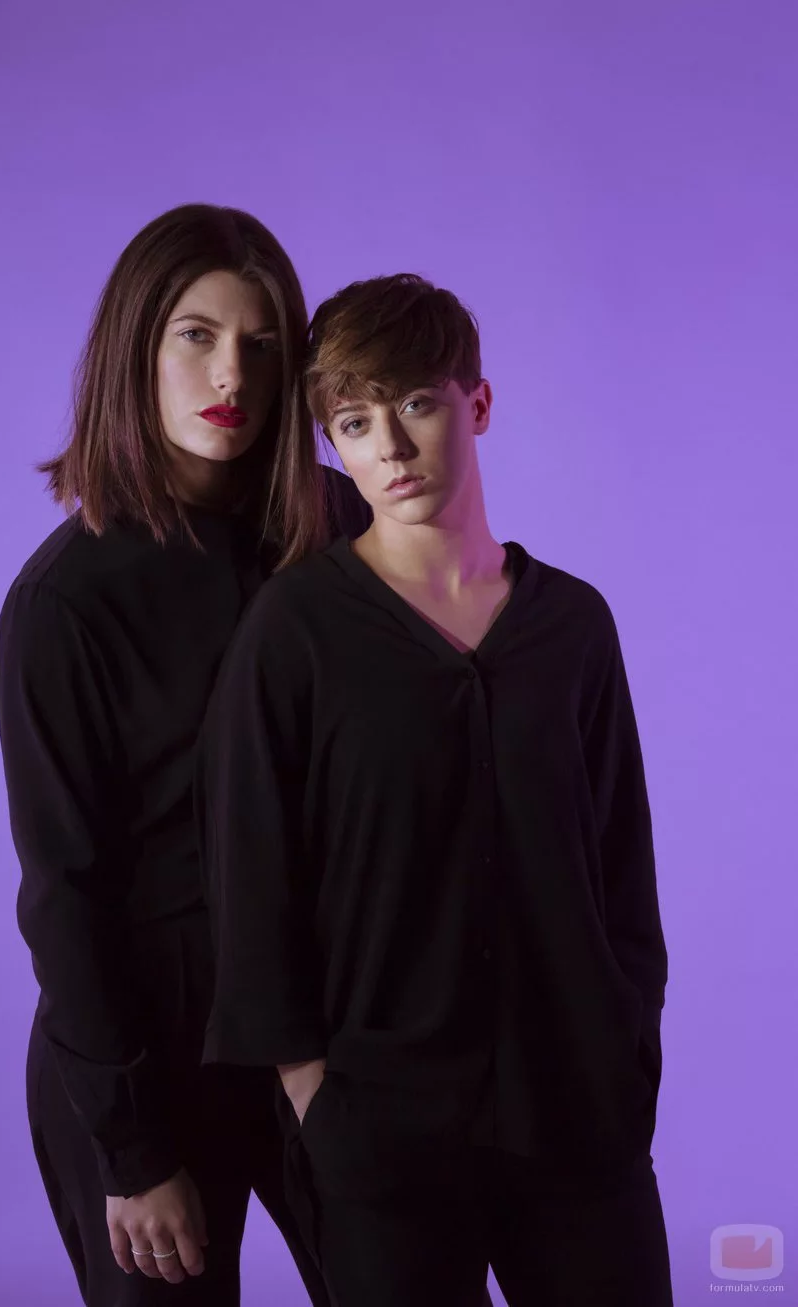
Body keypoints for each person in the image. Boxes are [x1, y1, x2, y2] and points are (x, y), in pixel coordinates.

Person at [196, 273, 673, 1306]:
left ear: (478, 403)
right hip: (384, 1132)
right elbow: (255, 878)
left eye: (416, 404)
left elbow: (620, 863)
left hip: (577, 1113)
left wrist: (630, 1042)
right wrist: (314, 1097)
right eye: (354, 423)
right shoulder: (295, 632)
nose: (391, 448)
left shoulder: (573, 625)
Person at [0, 203, 371, 1307]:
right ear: (136, 349)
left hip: (322, 1029)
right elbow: (64, 892)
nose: (231, 374)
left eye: (262, 343)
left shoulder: (343, 529)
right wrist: (132, 1149)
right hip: (149, 1048)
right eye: (196, 336)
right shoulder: (64, 600)